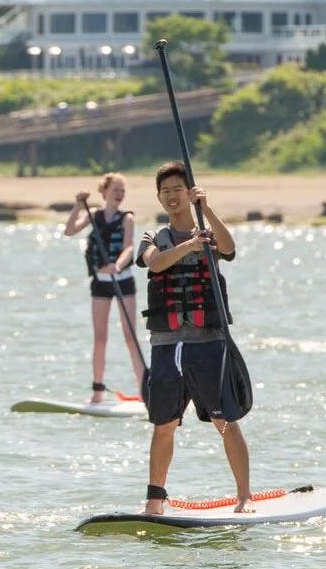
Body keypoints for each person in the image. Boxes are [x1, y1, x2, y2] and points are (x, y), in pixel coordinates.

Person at [140, 162, 249, 515]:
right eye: (165, 191)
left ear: (189, 193)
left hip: (208, 341)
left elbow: (229, 249)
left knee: (224, 421)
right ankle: (154, 501)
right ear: (159, 197)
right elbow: (155, 263)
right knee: (163, 425)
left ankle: (244, 496)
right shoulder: (152, 238)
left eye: (178, 190)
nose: (172, 196)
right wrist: (189, 245)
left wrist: (208, 210)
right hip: (166, 344)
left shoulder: (208, 232)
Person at [63, 172, 145, 401]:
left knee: (130, 337)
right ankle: (97, 392)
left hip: (123, 280)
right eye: (115, 190)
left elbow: (129, 247)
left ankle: (145, 392)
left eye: (122, 190)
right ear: (105, 192)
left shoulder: (127, 218)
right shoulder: (94, 215)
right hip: (100, 283)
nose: (119, 194)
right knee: (100, 337)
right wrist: (78, 205)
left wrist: (117, 265)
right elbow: (69, 231)